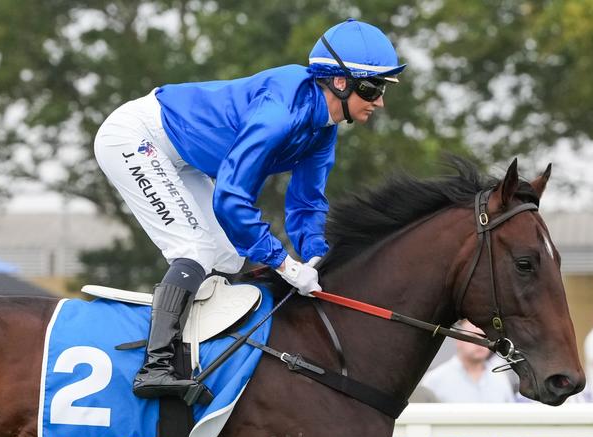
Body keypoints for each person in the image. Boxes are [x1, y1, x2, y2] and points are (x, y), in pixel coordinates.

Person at [93, 18, 404, 398]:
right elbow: (231, 197)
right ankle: (155, 366)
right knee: (194, 249)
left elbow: (306, 203)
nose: (380, 102)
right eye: (373, 88)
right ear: (340, 82)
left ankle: (198, 353)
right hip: (135, 137)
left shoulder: (324, 128)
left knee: (226, 256)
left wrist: (317, 257)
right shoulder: (280, 113)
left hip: (184, 155)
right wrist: (284, 264)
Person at [420, 322, 515, 403]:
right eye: (473, 337)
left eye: (486, 337)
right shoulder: (434, 380)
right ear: (458, 340)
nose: (481, 343)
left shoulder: (501, 379)